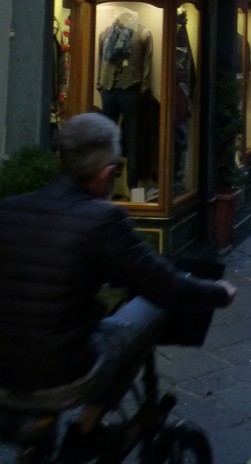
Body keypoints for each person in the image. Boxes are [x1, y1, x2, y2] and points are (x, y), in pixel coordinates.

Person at [0, 113, 235, 462]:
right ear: (106, 174)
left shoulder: (10, 208)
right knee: (146, 312)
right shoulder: (102, 219)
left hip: (5, 373)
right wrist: (219, 292)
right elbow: (165, 286)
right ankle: (88, 427)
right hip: (65, 374)